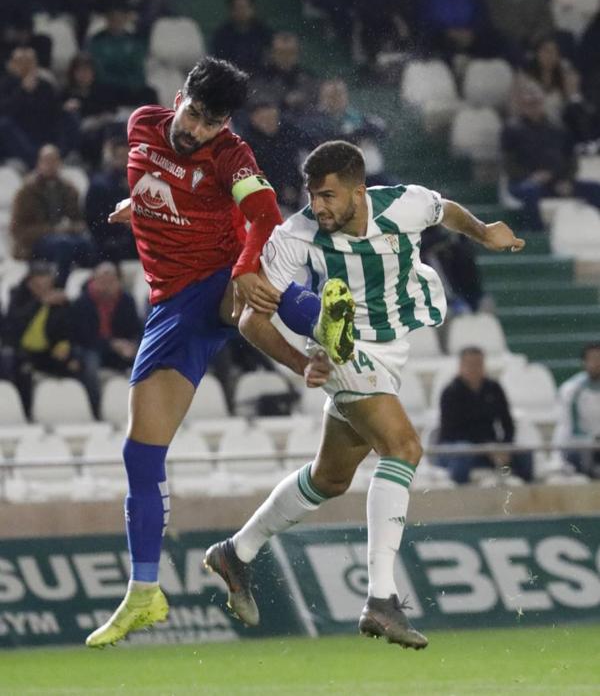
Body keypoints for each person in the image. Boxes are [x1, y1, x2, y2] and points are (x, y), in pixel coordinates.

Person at [204, 139, 525, 649]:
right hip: (341, 347)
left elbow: (446, 210)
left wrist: (484, 232)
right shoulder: (296, 236)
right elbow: (248, 318)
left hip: (393, 346)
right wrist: (300, 361)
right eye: (313, 195)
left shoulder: (404, 203)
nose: (319, 206)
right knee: (404, 448)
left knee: (329, 478)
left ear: (359, 189)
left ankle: (235, 552)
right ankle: (381, 599)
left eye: (329, 195)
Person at [85, 57, 353, 648]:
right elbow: (160, 183)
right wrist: (143, 205)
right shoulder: (141, 125)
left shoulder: (231, 154)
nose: (199, 130)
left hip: (219, 274)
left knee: (244, 293)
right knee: (140, 452)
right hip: (170, 306)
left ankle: (325, 321)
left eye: (213, 122)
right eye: (196, 114)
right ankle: (145, 592)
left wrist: (244, 261)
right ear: (179, 97)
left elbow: (262, 216)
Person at [501, 79, 600, 229]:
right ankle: (537, 235)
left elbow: (570, 159)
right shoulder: (511, 130)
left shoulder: (557, 128)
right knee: (530, 190)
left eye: (537, 102)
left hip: (556, 182)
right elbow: (509, 163)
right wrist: (531, 176)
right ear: (522, 105)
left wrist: (566, 179)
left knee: (594, 188)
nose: (534, 107)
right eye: (529, 103)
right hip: (524, 182)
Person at [437, 346, 533, 484]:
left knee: (524, 454)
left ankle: (525, 494)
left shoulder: (494, 388)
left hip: (491, 447)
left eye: (478, 364)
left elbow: (507, 421)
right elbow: (452, 430)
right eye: (470, 364)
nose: (474, 369)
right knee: (463, 454)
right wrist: (485, 447)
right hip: (458, 446)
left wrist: (505, 445)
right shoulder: (451, 392)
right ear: (461, 366)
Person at [10, 144, 97, 285]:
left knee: (88, 245)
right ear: (39, 164)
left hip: (66, 236)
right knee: (63, 245)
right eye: (47, 161)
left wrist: (72, 227)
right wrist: (53, 229)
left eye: (54, 161)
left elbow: (79, 220)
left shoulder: (69, 189)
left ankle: (91, 287)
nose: (51, 165)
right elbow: (18, 229)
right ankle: (58, 286)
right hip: (34, 243)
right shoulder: (26, 192)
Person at [2, 261, 78, 419]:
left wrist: (64, 348)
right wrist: (40, 302)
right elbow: (14, 323)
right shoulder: (18, 296)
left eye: (45, 281)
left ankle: (73, 412)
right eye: (36, 282)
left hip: (48, 350)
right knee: (21, 370)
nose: (41, 286)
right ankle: (25, 413)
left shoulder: (60, 300)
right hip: (22, 350)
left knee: (77, 364)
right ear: (29, 282)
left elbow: (68, 329)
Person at [71, 262, 142, 420]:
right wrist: (111, 344)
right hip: (92, 348)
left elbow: (135, 329)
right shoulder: (82, 303)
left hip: (119, 347)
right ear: (93, 281)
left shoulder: (126, 301)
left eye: (111, 282)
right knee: (91, 365)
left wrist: (130, 344)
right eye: (103, 281)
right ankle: (95, 409)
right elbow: (84, 337)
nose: (107, 286)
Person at [554, 342, 600, 478]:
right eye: (593, 359)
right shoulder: (571, 390)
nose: (597, 363)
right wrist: (557, 458)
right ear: (584, 362)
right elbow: (564, 426)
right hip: (581, 446)